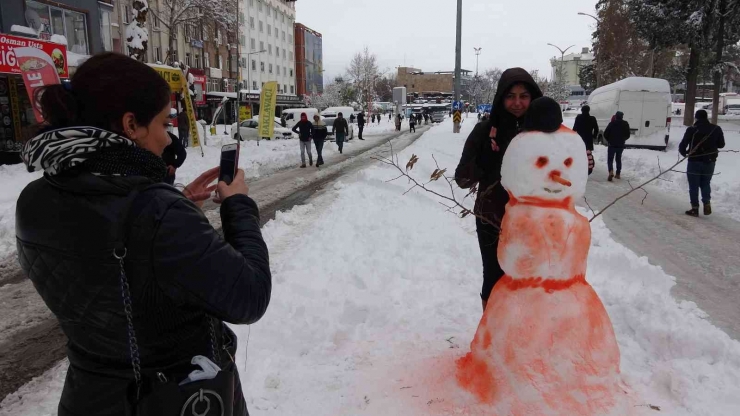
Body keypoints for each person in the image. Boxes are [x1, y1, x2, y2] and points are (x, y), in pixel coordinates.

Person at [15, 52, 270, 416]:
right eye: (165, 123)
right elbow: (250, 296)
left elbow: (103, 254)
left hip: (90, 397)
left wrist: (174, 205)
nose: (168, 140)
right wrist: (238, 206)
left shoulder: (34, 200)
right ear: (131, 124)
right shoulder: (156, 212)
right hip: (175, 398)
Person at [454, 67, 543, 312]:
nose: (517, 103)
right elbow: (462, 178)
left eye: (523, 96)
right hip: (492, 217)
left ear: (533, 97)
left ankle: (524, 334)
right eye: (510, 96)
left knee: (530, 278)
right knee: (494, 277)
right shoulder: (485, 130)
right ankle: (492, 336)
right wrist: (486, 158)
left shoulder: (544, 133)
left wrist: (583, 164)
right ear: (501, 97)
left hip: (534, 220)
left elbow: (565, 171)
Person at [679, 109, 725, 217]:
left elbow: (683, 145)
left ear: (696, 118)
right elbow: (721, 145)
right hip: (710, 161)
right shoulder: (716, 129)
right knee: (705, 183)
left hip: (694, 161)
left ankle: (695, 208)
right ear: (706, 117)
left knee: (693, 185)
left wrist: (684, 154)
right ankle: (707, 203)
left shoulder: (692, 129)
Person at [603, 111, 631, 181]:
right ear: (622, 116)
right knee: (618, 159)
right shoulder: (625, 124)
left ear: (616, 116)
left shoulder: (612, 123)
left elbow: (605, 134)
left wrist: (609, 140)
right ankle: (618, 174)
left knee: (610, 159)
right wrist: (623, 139)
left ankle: (611, 171)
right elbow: (628, 135)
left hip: (612, 145)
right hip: (621, 145)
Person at [572, 105, 599, 175]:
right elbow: (596, 129)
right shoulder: (592, 119)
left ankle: (580, 167)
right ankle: (589, 168)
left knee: (580, 154)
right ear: (589, 110)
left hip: (580, 140)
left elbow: (574, 129)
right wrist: (594, 136)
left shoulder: (578, 118)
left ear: (582, 110)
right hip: (589, 139)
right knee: (588, 154)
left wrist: (574, 137)